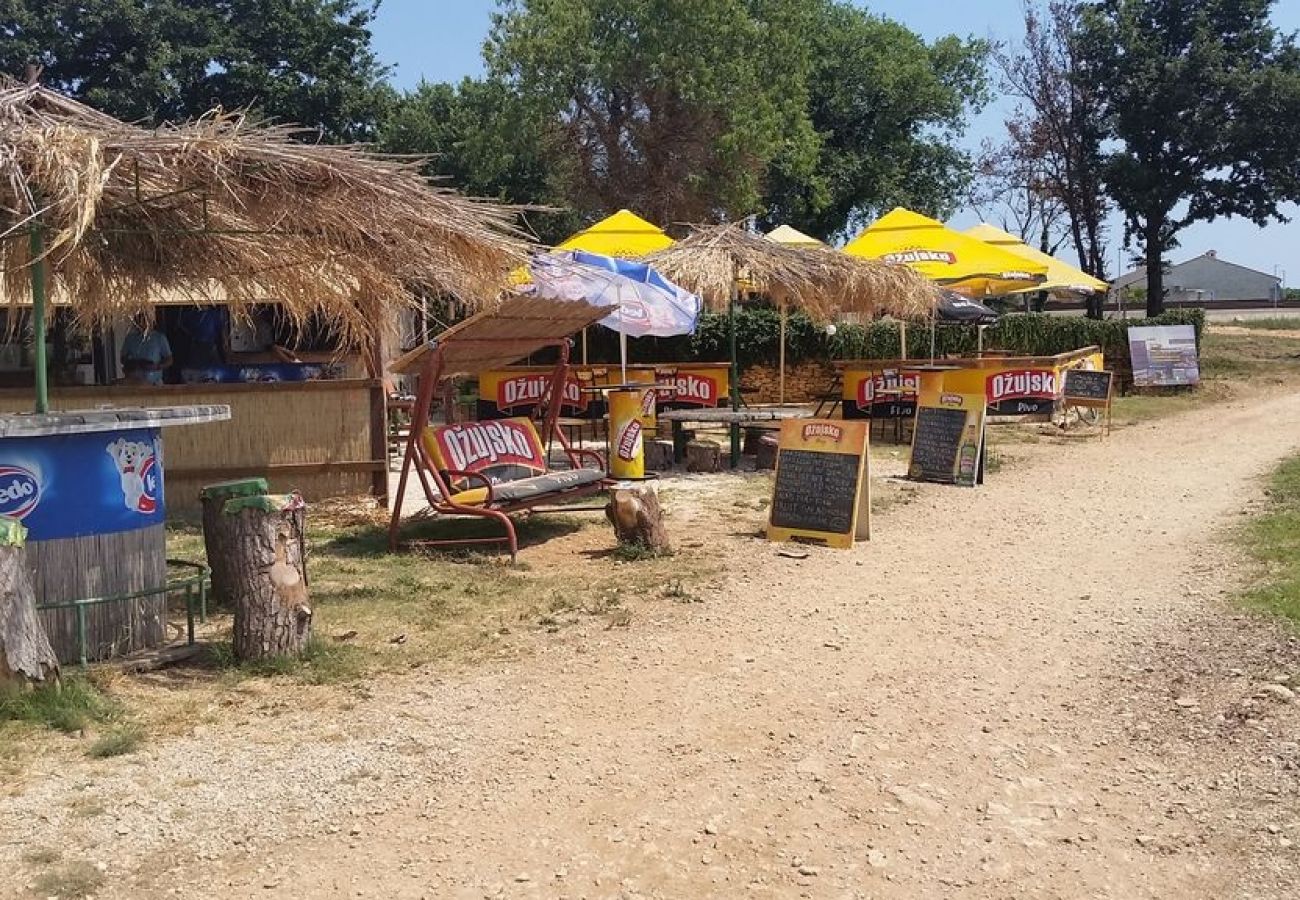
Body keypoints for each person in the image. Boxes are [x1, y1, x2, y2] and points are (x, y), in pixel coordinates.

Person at [121, 313, 173, 385]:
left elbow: (169, 360)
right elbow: (123, 358)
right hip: (134, 382)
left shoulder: (159, 338)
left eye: (144, 320)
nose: (141, 323)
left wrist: (157, 366)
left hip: (154, 383)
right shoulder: (130, 338)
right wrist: (132, 364)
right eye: (138, 320)